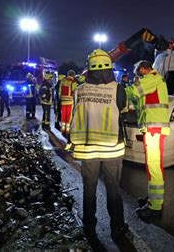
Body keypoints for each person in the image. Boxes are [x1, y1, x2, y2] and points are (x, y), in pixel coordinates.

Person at [66, 49, 129, 240]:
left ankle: (89, 226)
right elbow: (124, 112)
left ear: (89, 69)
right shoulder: (117, 89)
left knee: (89, 189)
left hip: (88, 149)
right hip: (111, 148)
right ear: (109, 68)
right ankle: (117, 228)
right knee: (113, 189)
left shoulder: (80, 90)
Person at [130, 60, 170, 221]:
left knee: (154, 166)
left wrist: (117, 91)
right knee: (152, 166)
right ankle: (153, 199)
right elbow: (137, 102)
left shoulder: (153, 78)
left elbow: (133, 92)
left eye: (140, 73)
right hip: (152, 128)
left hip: (155, 128)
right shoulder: (153, 81)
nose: (139, 76)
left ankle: (155, 207)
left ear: (144, 69)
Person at [59, 70, 78, 136]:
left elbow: (59, 91)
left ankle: (62, 129)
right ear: (73, 75)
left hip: (63, 101)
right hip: (70, 102)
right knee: (68, 116)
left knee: (63, 115)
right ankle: (67, 131)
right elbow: (75, 92)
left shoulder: (63, 80)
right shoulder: (73, 82)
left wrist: (61, 98)